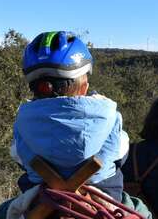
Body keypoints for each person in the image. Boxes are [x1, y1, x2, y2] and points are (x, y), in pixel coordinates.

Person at [11, 31, 129, 201]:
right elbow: (121, 155)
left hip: (40, 203)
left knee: (1, 218)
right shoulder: (110, 117)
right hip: (101, 205)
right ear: (84, 88)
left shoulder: (21, 123)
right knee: (141, 212)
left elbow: (19, 158)